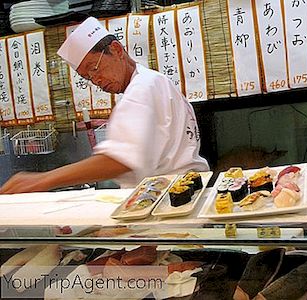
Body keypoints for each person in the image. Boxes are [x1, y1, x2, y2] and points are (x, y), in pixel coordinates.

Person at [0, 17, 209, 194]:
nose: (96, 80)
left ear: (116, 49)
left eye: (95, 68)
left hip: (170, 199)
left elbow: (118, 160)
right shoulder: (155, 81)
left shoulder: (142, 89)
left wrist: (38, 180)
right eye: (88, 77)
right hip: (177, 194)